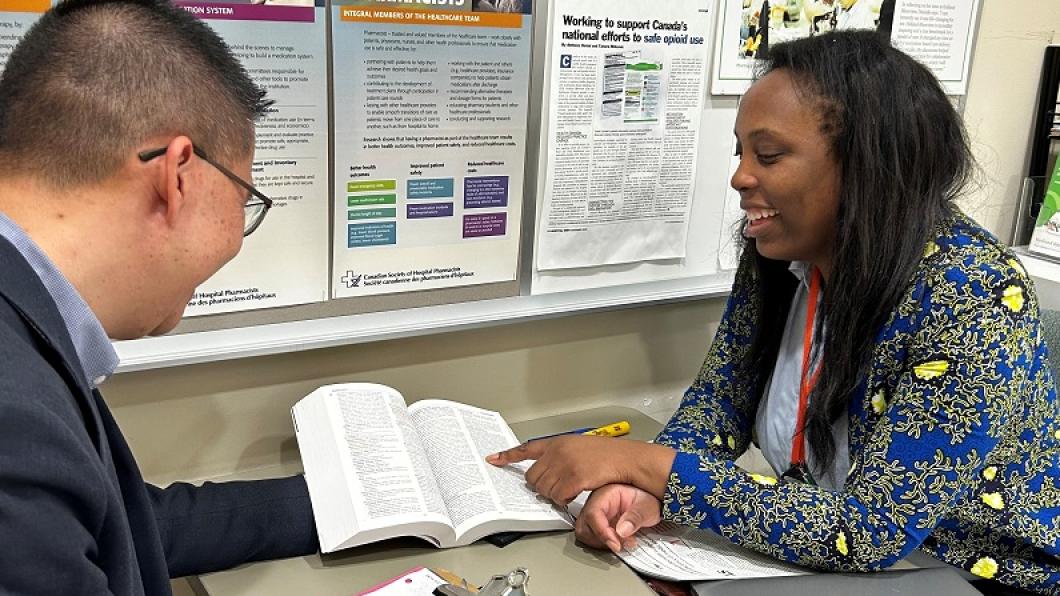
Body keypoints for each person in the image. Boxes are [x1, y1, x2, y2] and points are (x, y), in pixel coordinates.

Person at [488, 31, 1060, 595]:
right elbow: (719, 404)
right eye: (740, 152)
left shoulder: (976, 291)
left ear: (868, 165)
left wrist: (647, 467)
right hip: (831, 564)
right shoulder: (780, 253)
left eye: (768, 155)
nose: (740, 176)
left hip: (974, 578)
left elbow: (870, 531)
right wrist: (640, 491)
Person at [0, 0, 317, 593]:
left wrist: (347, 503)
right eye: (244, 198)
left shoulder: (22, 323)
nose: (237, 233)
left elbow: (118, 525)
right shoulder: (14, 421)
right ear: (178, 176)